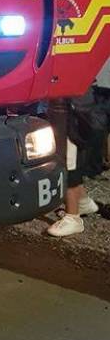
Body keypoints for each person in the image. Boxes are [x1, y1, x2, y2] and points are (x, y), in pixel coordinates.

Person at [47, 88, 101, 237]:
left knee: (67, 164)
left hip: (69, 111)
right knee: (72, 160)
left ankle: (73, 218)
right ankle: (83, 202)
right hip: (77, 107)